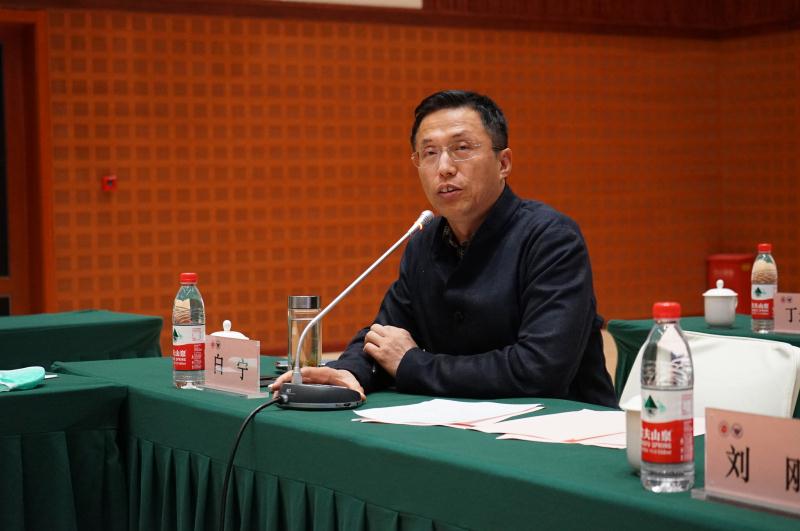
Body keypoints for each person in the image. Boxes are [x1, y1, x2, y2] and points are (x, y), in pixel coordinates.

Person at [274, 90, 617, 408]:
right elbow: (385, 336)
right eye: (429, 153)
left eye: (462, 148)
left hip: (565, 430)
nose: (444, 168)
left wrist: (413, 364)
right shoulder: (424, 242)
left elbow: (540, 369)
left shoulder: (551, 239)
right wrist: (349, 372)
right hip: (464, 427)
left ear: (504, 163)